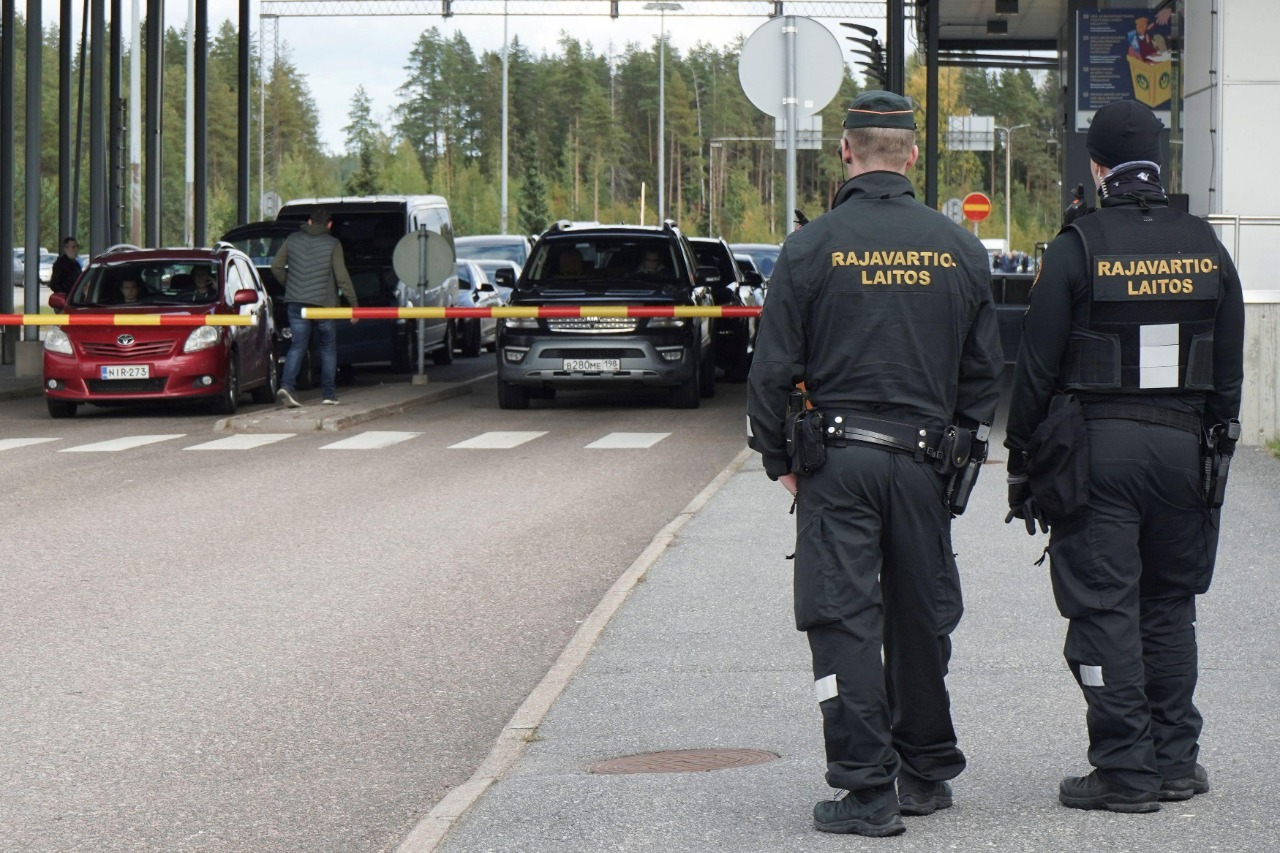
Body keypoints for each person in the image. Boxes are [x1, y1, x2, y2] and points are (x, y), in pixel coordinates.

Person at [746, 90, 1003, 838]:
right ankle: (924, 771)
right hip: (925, 461)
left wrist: (776, 455)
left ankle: (866, 789)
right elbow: (984, 375)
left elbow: (771, 371)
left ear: (846, 152)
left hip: (838, 461)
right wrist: (957, 448)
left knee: (844, 617)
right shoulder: (958, 247)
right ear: (914, 157)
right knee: (921, 615)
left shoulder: (811, 246)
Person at [1003, 99, 1245, 814]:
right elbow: (1228, 372)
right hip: (1184, 449)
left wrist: (1022, 457)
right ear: (1160, 162)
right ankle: (1175, 760)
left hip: (1098, 454)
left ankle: (1123, 768)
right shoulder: (1207, 246)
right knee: (1169, 602)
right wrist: (1215, 443)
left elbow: (1037, 367)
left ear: (1097, 166)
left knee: (1104, 605)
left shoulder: (1078, 245)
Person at [270, 208, 359, 407]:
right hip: (324, 305)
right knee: (327, 348)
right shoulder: (333, 244)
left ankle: (287, 386)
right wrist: (354, 306)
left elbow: (276, 266)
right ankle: (328, 394)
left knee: (297, 345)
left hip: (296, 303)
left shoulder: (292, 239)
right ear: (329, 225)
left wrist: (291, 286)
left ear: (309, 222)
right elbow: (342, 278)